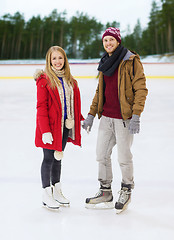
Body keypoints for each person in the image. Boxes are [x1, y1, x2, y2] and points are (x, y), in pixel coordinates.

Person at [82, 27, 148, 213]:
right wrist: (91, 115)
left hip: (124, 119)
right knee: (101, 155)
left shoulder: (131, 61)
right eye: (105, 41)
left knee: (124, 157)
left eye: (111, 40)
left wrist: (136, 115)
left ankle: (126, 190)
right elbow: (99, 92)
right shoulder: (105, 63)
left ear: (118, 41)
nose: (108, 43)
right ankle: (105, 192)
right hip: (107, 118)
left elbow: (141, 89)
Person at [34, 46, 83, 210]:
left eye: (60, 58)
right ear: (49, 60)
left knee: (58, 158)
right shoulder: (44, 80)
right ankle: (46, 193)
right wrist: (45, 130)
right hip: (49, 128)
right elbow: (41, 107)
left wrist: (79, 120)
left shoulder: (69, 80)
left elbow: (73, 104)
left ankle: (57, 190)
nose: (57, 61)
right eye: (54, 58)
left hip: (63, 127)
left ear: (65, 60)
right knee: (48, 159)